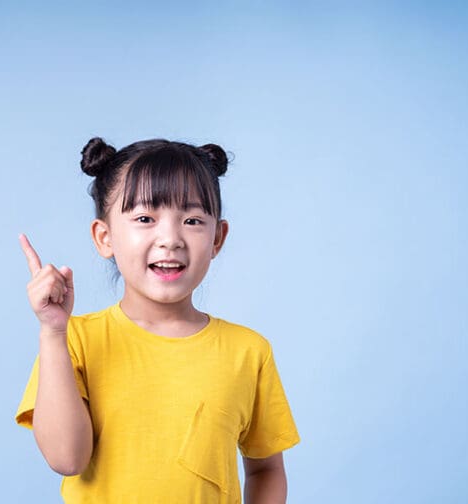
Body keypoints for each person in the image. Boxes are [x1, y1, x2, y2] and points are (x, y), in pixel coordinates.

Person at [15, 137, 300, 503]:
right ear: (105, 237)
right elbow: (67, 459)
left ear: (217, 238)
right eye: (145, 219)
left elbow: (266, 469)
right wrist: (52, 331)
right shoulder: (74, 340)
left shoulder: (248, 351)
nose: (170, 239)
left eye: (192, 220)